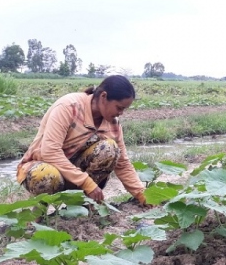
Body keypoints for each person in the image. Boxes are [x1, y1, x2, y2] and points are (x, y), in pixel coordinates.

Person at [16, 75, 146, 205]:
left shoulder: (113, 124)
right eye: (119, 107)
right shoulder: (69, 107)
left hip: (75, 175)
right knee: (44, 175)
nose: (121, 113)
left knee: (110, 149)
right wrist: (86, 182)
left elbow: (122, 164)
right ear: (103, 97)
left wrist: (142, 194)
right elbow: (50, 151)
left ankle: (82, 206)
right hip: (45, 168)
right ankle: (40, 210)